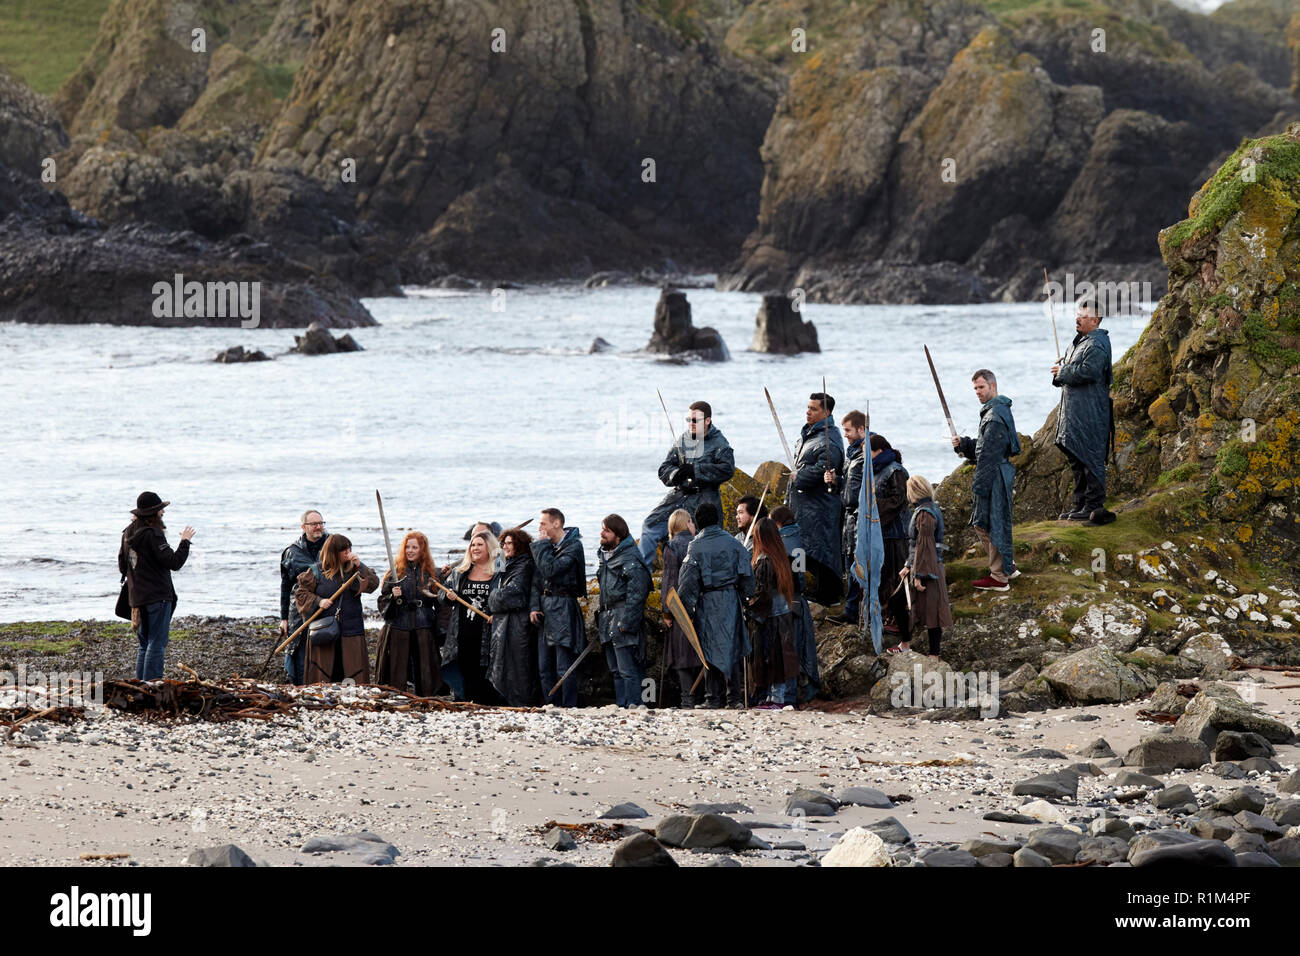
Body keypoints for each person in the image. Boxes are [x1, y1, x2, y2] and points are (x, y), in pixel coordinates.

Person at [676, 502, 754, 709]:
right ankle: (734, 698)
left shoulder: (696, 545)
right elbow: (747, 574)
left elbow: (687, 581)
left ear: (698, 521)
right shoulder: (734, 543)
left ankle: (713, 697)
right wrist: (747, 598)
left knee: (708, 648)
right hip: (730, 598)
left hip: (708, 600)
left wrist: (686, 608)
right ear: (718, 518)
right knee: (733, 647)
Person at [639, 400, 735, 565]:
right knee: (650, 525)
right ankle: (641, 576)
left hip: (705, 498)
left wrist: (695, 470)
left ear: (707, 421)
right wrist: (675, 474)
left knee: (702, 542)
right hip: (679, 497)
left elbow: (727, 469)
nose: (690, 424)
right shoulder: (683, 440)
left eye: (694, 420)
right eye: (688, 420)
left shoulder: (720, 443)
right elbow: (664, 468)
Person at [952, 369, 1020, 591]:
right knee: (991, 523)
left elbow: (989, 457)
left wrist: (980, 487)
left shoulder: (995, 416)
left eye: (981, 387)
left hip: (995, 476)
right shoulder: (995, 411)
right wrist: (964, 445)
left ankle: (999, 576)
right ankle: (1006, 565)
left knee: (987, 524)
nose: (978, 392)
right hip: (998, 472)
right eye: (975, 388)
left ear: (992, 386)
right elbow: (984, 448)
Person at [118, 491, 195, 681]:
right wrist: (185, 542)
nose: (163, 513)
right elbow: (174, 562)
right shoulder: (154, 534)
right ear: (153, 513)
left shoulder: (127, 533)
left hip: (136, 597)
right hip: (158, 596)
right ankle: (152, 684)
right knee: (157, 643)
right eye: (161, 510)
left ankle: (141, 684)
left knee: (144, 644)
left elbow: (122, 565)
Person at [1052, 294, 1114, 523]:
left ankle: (1093, 505)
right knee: (1077, 459)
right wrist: (1059, 373)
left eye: (1084, 316)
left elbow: (1089, 371)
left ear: (1096, 320)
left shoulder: (1097, 343)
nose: (1078, 319)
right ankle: (1080, 505)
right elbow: (1067, 373)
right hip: (1074, 412)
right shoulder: (1077, 342)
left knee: (1090, 459)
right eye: (1077, 315)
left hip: (1091, 412)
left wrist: (1064, 372)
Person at [295, 533, 379, 684]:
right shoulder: (316, 572)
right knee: (324, 674)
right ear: (334, 552)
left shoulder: (354, 570)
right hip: (325, 631)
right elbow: (301, 594)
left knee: (353, 673)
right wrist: (318, 601)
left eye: (349, 550)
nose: (349, 554)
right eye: (345, 551)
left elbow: (373, 584)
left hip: (351, 631)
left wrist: (360, 565)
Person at [789, 391, 845, 604]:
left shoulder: (830, 440)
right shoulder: (810, 434)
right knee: (801, 548)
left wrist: (799, 477)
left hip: (821, 505)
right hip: (803, 504)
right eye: (808, 407)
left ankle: (830, 596)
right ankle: (805, 588)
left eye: (814, 409)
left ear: (827, 412)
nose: (808, 412)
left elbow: (824, 468)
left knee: (823, 551)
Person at [531, 508, 587, 707]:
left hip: (563, 607)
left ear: (556, 523)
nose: (540, 528)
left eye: (543, 524)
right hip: (545, 610)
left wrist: (542, 546)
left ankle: (568, 705)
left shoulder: (573, 547)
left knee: (564, 665)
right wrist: (533, 607)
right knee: (544, 666)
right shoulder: (546, 547)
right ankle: (550, 704)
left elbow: (550, 570)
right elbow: (536, 581)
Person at [375, 531, 442, 696]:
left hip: (423, 625)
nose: (410, 551)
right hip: (399, 625)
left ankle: (427, 696)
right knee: (397, 668)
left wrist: (442, 629)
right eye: (407, 547)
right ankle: (395, 695)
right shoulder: (395, 572)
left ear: (422, 550)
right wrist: (393, 597)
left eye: (414, 547)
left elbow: (440, 603)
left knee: (425, 667)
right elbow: (382, 601)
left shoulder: (431, 573)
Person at [596, 514, 651, 708]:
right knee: (616, 669)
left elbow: (637, 593)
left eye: (607, 530)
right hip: (606, 619)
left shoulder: (630, 557)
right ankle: (622, 705)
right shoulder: (604, 555)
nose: (602, 533)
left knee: (629, 667)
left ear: (618, 536)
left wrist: (627, 622)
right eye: (602, 529)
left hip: (622, 617)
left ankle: (637, 704)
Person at [438, 530, 500, 702]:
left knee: (485, 666)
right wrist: (448, 595)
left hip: (487, 630)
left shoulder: (498, 572)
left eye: (480, 544)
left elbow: (505, 596)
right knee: (463, 665)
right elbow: (441, 595)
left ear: (490, 547)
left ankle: (486, 702)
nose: (475, 548)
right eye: (473, 544)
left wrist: (498, 614)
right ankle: (464, 700)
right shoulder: (461, 571)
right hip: (462, 631)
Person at [746, 518, 799, 710]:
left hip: (771, 615)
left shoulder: (764, 561)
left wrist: (748, 608)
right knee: (778, 657)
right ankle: (773, 697)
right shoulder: (781, 557)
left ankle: (776, 699)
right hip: (782, 613)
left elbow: (762, 593)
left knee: (773, 656)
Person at [899, 476, 953, 658]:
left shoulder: (925, 514)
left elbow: (925, 547)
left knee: (933, 614)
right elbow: (918, 546)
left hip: (929, 568)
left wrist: (919, 574)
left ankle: (933, 656)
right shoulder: (930, 508)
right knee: (927, 611)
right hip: (926, 565)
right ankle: (908, 645)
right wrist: (908, 565)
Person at [487, 528, 542, 706]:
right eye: (504, 543)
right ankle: (506, 699)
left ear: (520, 545)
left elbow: (511, 594)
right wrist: (497, 549)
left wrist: (493, 598)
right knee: (503, 662)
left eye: (510, 543)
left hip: (519, 623)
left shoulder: (524, 565)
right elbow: (495, 580)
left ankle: (521, 701)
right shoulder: (507, 562)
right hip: (505, 622)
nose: (505, 547)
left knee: (518, 664)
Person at [771, 505, 820, 700]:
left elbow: (797, 577)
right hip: (797, 599)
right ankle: (792, 695)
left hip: (788, 600)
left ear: (777, 523)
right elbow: (800, 574)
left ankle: (788, 696)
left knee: (789, 649)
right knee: (796, 648)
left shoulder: (784, 541)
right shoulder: (798, 538)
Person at [659, 508, 701, 707]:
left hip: (679, 608)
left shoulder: (672, 547)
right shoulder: (697, 544)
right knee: (700, 651)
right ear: (686, 523)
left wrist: (666, 611)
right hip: (701, 605)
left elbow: (669, 581)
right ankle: (705, 697)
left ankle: (687, 698)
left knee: (682, 654)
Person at [870, 434, 911, 638]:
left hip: (897, 532)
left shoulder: (895, 470)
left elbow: (898, 499)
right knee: (884, 577)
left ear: (877, 450)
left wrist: (874, 509)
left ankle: (898, 619)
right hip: (883, 531)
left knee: (896, 577)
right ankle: (887, 616)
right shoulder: (877, 470)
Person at [280, 509, 326, 685]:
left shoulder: (331, 546)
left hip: (326, 605)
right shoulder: (292, 552)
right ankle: (300, 685)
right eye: (314, 524)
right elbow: (285, 587)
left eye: (320, 523)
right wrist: (284, 618)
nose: (318, 527)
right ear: (304, 526)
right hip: (299, 610)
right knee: (299, 649)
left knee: (325, 647)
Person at [829, 410, 867, 624]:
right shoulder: (852, 454)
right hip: (849, 516)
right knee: (850, 563)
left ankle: (853, 611)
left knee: (857, 563)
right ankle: (852, 609)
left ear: (861, 429)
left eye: (848, 430)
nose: (845, 435)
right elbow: (849, 484)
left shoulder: (868, 453)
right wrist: (836, 480)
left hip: (860, 516)